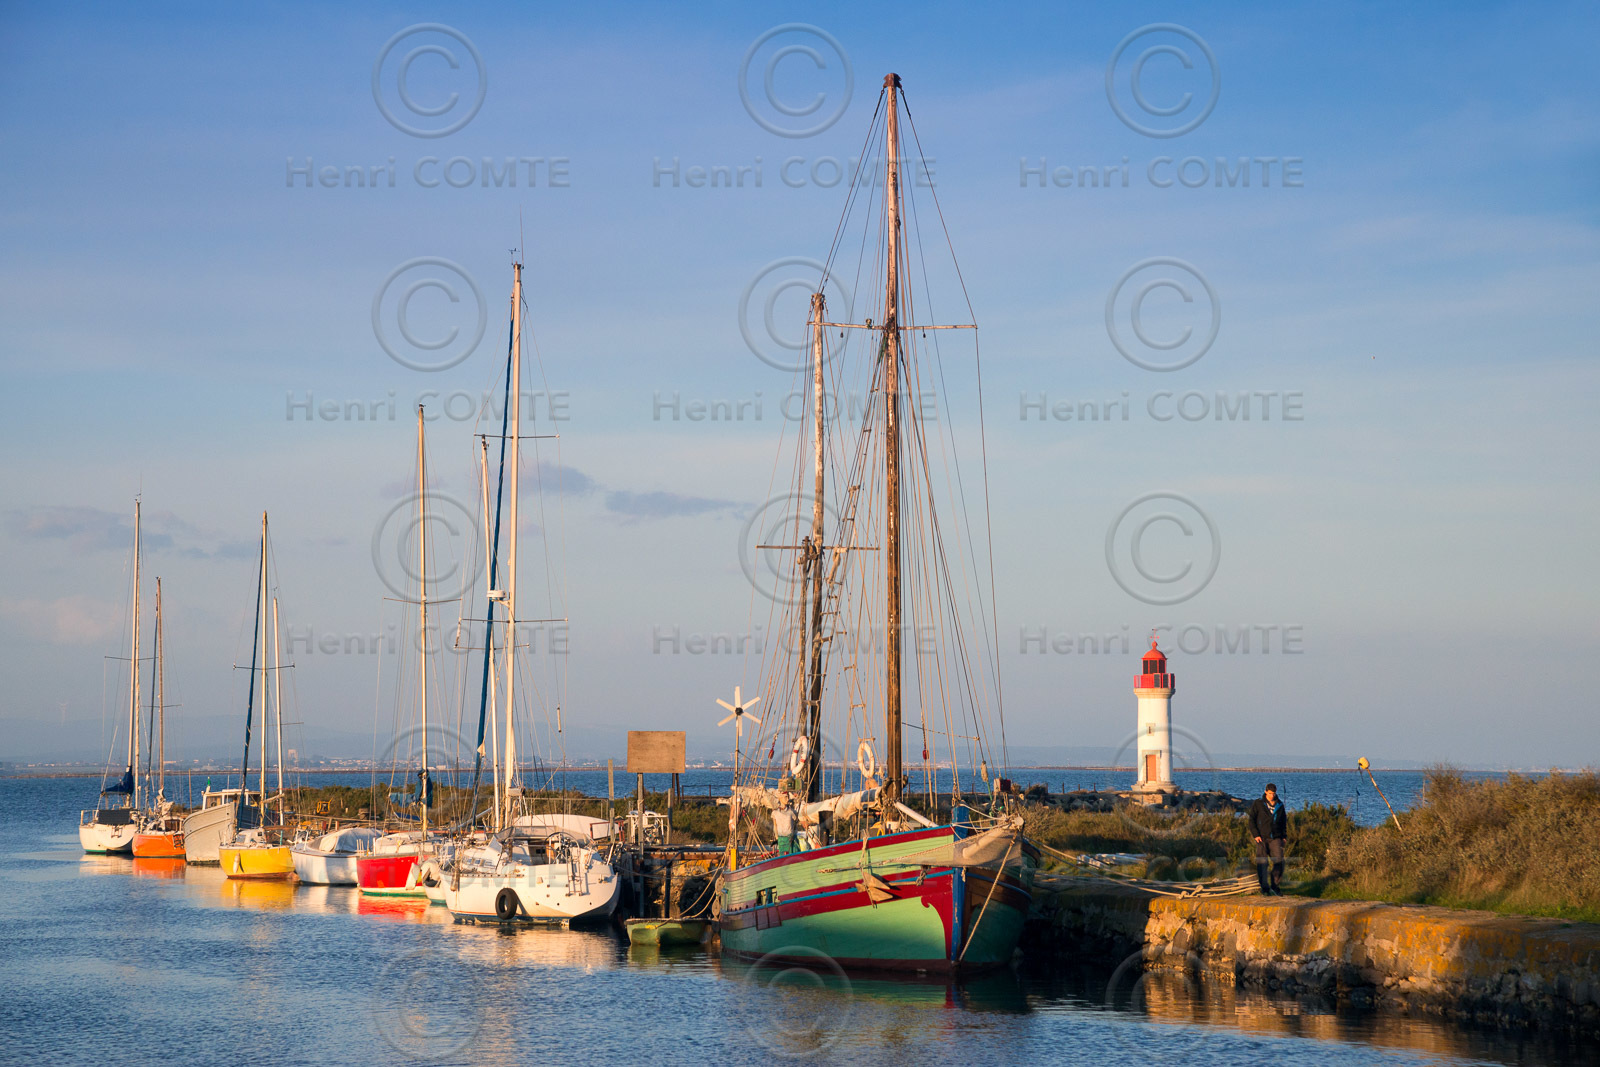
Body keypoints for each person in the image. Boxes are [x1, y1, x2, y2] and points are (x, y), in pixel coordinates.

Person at [1248, 783, 1288, 895]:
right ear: (1266, 792)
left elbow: (1283, 821)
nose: (1271, 795)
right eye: (1270, 793)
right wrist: (1255, 834)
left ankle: (1275, 886)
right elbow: (1251, 820)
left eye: (1273, 793)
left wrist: (1284, 836)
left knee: (1279, 861)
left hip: (1276, 838)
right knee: (1262, 863)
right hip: (1261, 838)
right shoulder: (1258, 804)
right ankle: (1264, 889)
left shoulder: (1280, 805)